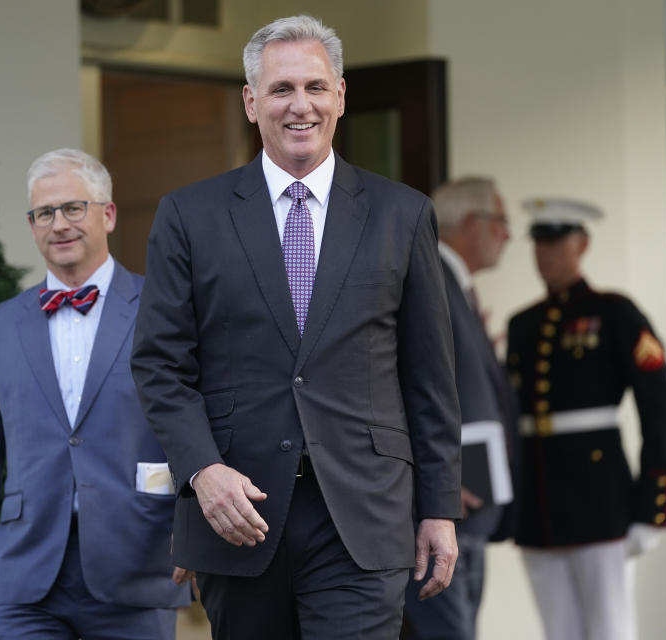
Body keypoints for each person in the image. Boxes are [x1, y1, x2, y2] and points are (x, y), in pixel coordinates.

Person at [130, 15, 462, 640]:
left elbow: (430, 379)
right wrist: (202, 471)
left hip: (364, 514)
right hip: (239, 512)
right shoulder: (189, 216)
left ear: (340, 95)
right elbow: (159, 366)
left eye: (314, 87)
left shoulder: (403, 214)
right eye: (281, 90)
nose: (299, 105)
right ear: (251, 103)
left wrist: (440, 509)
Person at [0, 149, 189, 639]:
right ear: (32, 225)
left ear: (108, 214)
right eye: (45, 213)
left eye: (74, 208)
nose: (60, 224)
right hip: (24, 574)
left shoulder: (165, 311)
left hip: (136, 562)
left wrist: (197, 527)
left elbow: (194, 425)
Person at [505, 198, 666, 640]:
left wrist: (651, 508)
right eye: (539, 242)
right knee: (558, 631)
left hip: (601, 500)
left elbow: (660, 411)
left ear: (582, 244)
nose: (544, 252)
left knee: (609, 629)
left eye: (556, 241)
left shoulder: (614, 313)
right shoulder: (523, 324)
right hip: (538, 503)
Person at [402, 177, 520, 639]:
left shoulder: (455, 285)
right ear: (471, 223)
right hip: (443, 508)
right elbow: (400, 384)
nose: (508, 236)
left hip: (466, 513)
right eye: (501, 223)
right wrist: (431, 480)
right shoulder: (430, 278)